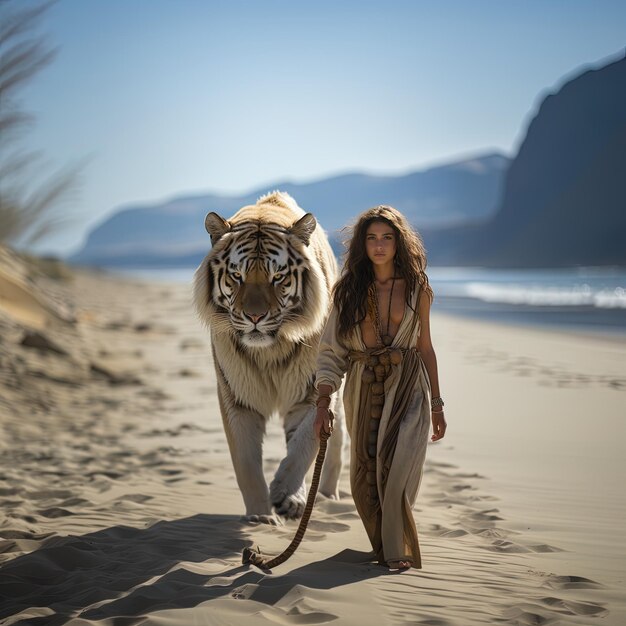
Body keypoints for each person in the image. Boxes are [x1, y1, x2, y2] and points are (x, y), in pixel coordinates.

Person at [314, 205, 446, 571]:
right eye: (371, 238)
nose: (379, 245)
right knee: (364, 478)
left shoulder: (418, 287)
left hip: (409, 385)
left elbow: (425, 347)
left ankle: (396, 551)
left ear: (399, 242)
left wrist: (437, 404)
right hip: (363, 387)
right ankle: (384, 545)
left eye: (387, 237)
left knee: (400, 465)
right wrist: (323, 402)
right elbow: (330, 352)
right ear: (362, 244)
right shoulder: (347, 292)